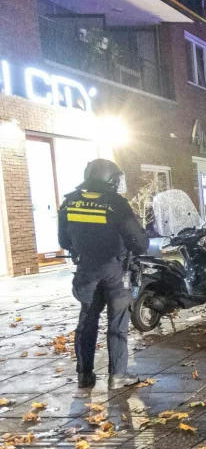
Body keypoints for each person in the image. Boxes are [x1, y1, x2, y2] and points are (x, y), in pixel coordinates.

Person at [58, 159, 148, 395]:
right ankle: (117, 376)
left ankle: (84, 375)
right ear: (109, 178)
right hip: (115, 272)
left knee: (87, 322)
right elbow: (138, 241)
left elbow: (64, 241)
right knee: (117, 322)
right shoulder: (115, 204)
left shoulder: (70, 202)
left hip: (86, 271)